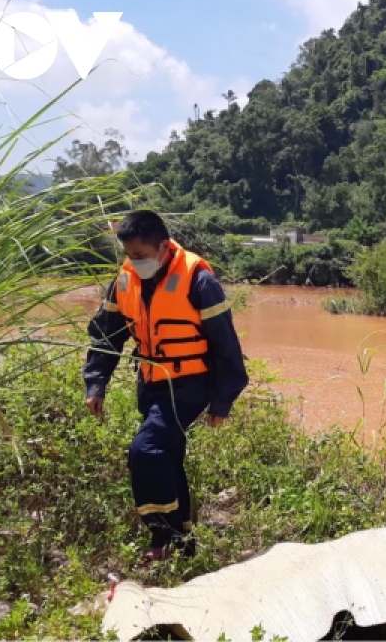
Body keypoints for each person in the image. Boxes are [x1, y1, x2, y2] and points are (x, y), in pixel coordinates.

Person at [83, 210, 249, 567]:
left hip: (190, 383)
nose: (135, 262)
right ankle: (183, 536)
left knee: (146, 449)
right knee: (168, 454)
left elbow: (226, 345)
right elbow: (107, 334)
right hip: (152, 381)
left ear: (162, 247)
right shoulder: (125, 279)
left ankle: (162, 535)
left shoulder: (198, 279)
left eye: (141, 255)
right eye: (129, 256)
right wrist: (96, 383)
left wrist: (222, 402)